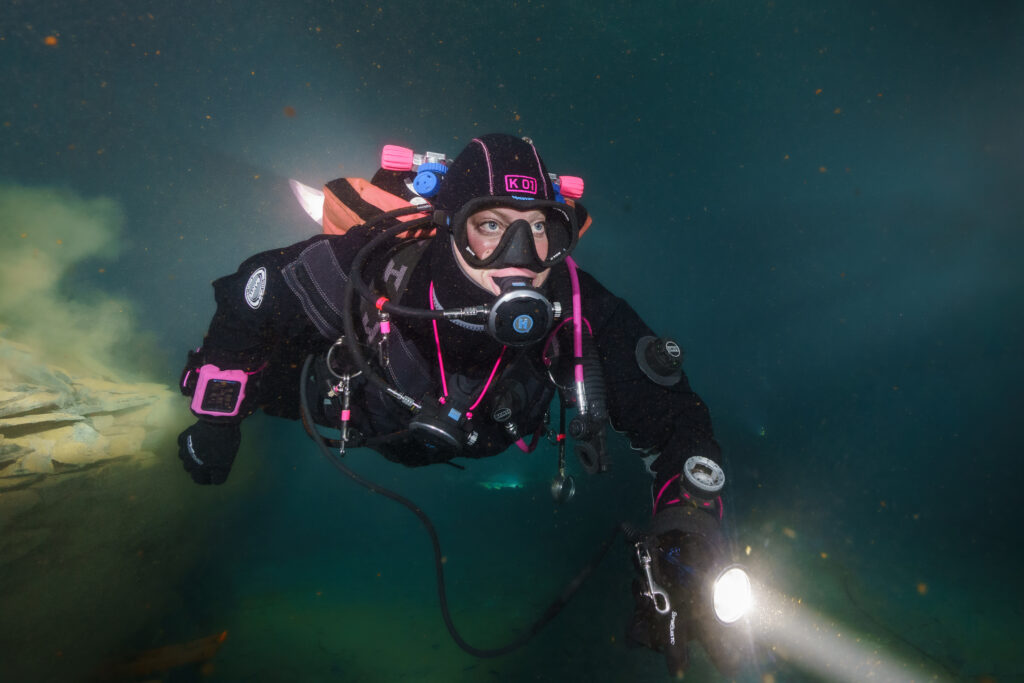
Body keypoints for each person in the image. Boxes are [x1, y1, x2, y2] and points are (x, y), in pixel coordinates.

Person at [177, 133, 745, 675]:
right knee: (281, 376)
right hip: (353, 403)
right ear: (450, 227)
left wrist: (686, 534)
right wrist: (217, 416)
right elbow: (255, 293)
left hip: (482, 433)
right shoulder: (377, 266)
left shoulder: (577, 306)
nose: (519, 256)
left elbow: (676, 418)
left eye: (541, 229)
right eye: (491, 226)